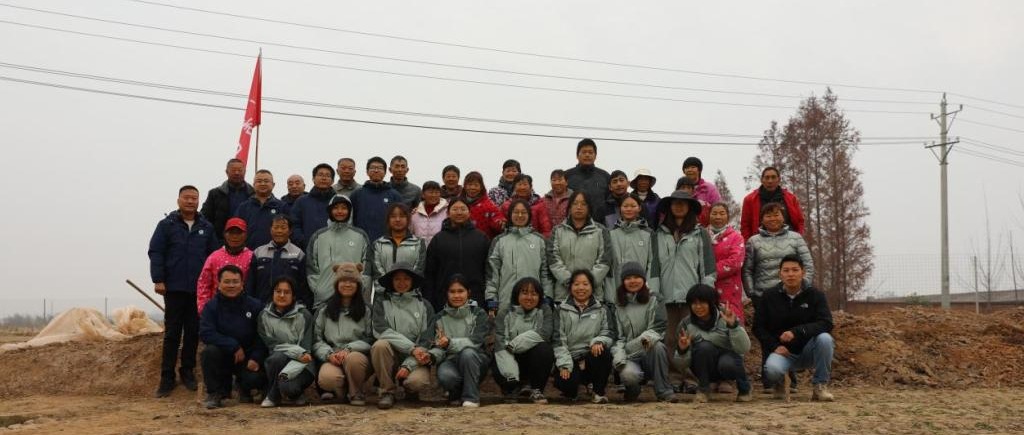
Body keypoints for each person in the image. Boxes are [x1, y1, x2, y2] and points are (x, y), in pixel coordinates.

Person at [149, 185, 219, 397]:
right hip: (174, 287)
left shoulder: (206, 227)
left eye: (194, 198)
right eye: (186, 198)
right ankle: (167, 377)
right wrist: (158, 279)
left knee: (192, 331)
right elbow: (156, 252)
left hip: (198, 290)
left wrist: (213, 285)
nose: (190, 201)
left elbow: (213, 257)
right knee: (172, 333)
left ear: (198, 202)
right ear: (178, 200)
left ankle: (187, 371)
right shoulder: (166, 225)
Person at [743, 202, 814, 391]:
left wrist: (803, 287)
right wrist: (752, 292)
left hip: (792, 294)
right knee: (767, 334)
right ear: (762, 219)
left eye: (776, 215)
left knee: (789, 334)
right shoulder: (753, 241)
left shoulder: (795, 238)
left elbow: (807, 264)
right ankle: (770, 380)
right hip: (763, 295)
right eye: (768, 215)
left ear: (783, 217)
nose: (772, 219)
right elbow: (747, 269)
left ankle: (790, 379)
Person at [650, 190, 716, 375]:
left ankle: (692, 377)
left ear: (689, 208)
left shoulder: (699, 233)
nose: (679, 207)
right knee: (669, 338)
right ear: (669, 207)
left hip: (692, 296)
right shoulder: (659, 234)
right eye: (675, 203)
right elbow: (654, 266)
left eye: (683, 203)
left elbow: (707, 266)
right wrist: (655, 293)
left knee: (692, 336)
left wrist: (705, 293)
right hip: (666, 295)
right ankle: (672, 377)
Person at [753, 254, 835, 401]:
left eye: (795, 270)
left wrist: (797, 331)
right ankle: (780, 382)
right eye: (786, 270)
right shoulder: (769, 296)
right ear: (780, 274)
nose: (790, 274)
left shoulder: (815, 295)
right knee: (772, 370)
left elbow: (826, 323)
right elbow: (758, 327)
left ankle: (820, 386)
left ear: (803, 272)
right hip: (783, 352)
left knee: (825, 339)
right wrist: (775, 346)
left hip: (809, 350)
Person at [198, 265, 267, 409]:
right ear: (219, 283)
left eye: (235, 282)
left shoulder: (255, 306)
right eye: (227, 281)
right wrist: (233, 345)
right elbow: (206, 332)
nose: (231, 285)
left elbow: (263, 335)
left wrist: (256, 357)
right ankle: (215, 393)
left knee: (254, 379)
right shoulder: (211, 307)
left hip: (247, 356)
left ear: (242, 284)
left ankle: (243, 387)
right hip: (223, 355)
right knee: (209, 352)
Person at [370, 263, 435, 409]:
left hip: (416, 359)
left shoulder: (425, 305)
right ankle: (387, 392)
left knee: (416, 382)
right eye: (397, 279)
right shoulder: (381, 303)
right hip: (392, 355)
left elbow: (427, 339)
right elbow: (380, 330)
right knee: (380, 345)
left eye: (406, 279)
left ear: (412, 281)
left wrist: (409, 363)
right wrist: (412, 348)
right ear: (391, 282)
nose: (402, 283)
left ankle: (410, 390)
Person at [611, 262, 676, 403]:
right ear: (623, 281)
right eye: (628, 278)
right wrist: (620, 357)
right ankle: (632, 390)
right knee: (628, 374)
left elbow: (658, 329)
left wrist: (630, 347)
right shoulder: (617, 304)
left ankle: (664, 391)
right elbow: (617, 337)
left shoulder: (655, 299)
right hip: (627, 355)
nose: (632, 281)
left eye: (636, 277)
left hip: (647, 348)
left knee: (658, 347)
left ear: (643, 279)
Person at [677, 284, 753, 403]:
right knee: (703, 347)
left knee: (727, 363)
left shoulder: (727, 316)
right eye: (694, 303)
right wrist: (683, 350)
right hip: (704, 363)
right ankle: (703, 390)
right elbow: (682, 365)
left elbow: (744, 348)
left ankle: (744, 389)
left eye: (702, 303)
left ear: (712, 303)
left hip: (728, 362)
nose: (698, 307)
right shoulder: (686, 324)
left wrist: (733, 327)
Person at [313, 263, 374, 406]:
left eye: (352, 281)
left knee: (353, 359)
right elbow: (316, 340)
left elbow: (371, 338)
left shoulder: (367, 310)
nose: (347, 284)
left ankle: (357, 393)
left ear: (358, 284)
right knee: (327, 379)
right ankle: (342, 393)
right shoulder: (324, 310)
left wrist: (349, 349)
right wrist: (329, 354)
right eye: (343, 280)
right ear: (336, 284)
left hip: (358, 357)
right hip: (333, 356)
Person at [427, 275, 491, 408]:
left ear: (468, 292)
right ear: (447, 293)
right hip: (450, 360)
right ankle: (455, 393)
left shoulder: (479, 314)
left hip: (476, 359)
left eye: (460, 291)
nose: (456, 296)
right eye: (452, 291)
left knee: (468, 353)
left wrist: (450, 343)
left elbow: (476, 341)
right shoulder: (439, 318)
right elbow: (438, 347)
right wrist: (432, 356)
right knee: (445, 375)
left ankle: (471, 398)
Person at [553, 270, 615, 404]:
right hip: (570, 358)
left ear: (592, 287)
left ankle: (598, 392)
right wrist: (565, 365)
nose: (581, 288)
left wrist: (599, 341)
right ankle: (572, 391)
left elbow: (609, 333)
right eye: (576, 284)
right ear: (570, 287)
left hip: (590, 356)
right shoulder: (561, 309)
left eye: (585, 284)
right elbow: (558, 340)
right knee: (566, 383)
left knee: (603, 352)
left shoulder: (602, 309)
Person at [493, 277, 555, 404]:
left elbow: (545, 333)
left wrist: (515, 344)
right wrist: (511, 376)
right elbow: (501, 341)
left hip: (531, 358)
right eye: (525, 293)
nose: (529, 297)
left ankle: (536, 390)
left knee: (544, 349)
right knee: (497, 352)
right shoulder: (505, 311)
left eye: (534, 294)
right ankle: (511, 389)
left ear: (540, 296)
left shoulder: (545, 310)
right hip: (509, 357)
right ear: (517, 294)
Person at [485, 200, 552, 315]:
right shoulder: (499, 241)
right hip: (505, 302)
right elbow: (492, 272)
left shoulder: (539, 240)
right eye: (516, 212)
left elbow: (545, 273)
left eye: (523, 212)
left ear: (529, 215)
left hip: (533, 301)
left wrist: (547, 296)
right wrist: (491, 298)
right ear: (510, 215)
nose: (520, 215)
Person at [423, 198, 491, 311]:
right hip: (444, 300)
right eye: (455, 209)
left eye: (463, 209)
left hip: (476, 299)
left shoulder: (481, 238)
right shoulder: (438, 239)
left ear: (469, 212)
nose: (459, 212)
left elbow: (488, 271)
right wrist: (429, 301)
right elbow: (430, 273)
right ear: (448, 213)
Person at [257, 276, 315, 408]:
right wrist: (295, 352)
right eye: (278, 291)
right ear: (272, 293)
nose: (282, 295)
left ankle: (293, 393)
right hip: (278, 361)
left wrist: (299, 354)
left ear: (293, 296)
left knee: (289, 388)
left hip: (302, 362)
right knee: (277, 357)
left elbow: (306, 347)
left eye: (287, 292)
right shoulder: (263, 316)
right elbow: (271, 344)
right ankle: (274, 395)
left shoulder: (304, 315)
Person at [306, 195, 371, 308]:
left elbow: (367, 266)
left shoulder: (360, 235)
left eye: (344, 208)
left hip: (353, 298)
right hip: (324, 300)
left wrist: (361, 288)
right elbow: (311, 266)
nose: (340, 211)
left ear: (350, 211)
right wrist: (319, 290)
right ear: (330, 210)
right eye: (335, 208)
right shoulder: (318, 236)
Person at [548, 191, 612, 302]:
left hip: (593, 295)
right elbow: (553, 259)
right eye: (575, 203)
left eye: (583, 204)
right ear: (569, 207)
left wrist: (588, 283)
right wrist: (570, 282)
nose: (579, 207)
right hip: (563, 294)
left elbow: (605, 260)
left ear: (589, 207)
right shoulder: (558, 231)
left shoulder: (600, 231)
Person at [246, 214, 310, 308]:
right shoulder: (258, 252)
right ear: (270, 230)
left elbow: (304, 286)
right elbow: (251, 283)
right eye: (276, 227)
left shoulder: (298, 254)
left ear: (290, 231)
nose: (279, 231)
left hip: (290, 309)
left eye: (283, 228)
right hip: (261, 307)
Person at [196, 217, 254, 314]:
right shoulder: (214, 257)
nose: (234, 236)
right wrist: (204, 309)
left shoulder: (252, 257)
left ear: (245, 235)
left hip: (243, 310)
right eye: (231, 233)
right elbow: (204, 284)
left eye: (239, 233)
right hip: (217, 310)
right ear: (224, 234)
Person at [606, 195, 656, 303]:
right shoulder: (610, 234)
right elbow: (608, 266)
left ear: (639, 208)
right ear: (620, 208)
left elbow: (652, 264)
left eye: (633, 206)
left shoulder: (648, 233)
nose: (629, 209)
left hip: (641, 291)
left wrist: (650, 290)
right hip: (617, 290)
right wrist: (610, 296)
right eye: (625, 206)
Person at [370, 203, 427, 298]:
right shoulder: (378, 244)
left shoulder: (419, 243)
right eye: (393, 216)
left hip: (410, 297)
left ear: (408, 219)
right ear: (388, 220)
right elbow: (377, 272)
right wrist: (389, 289)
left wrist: (405, 289)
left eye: (402, 216)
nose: (397, 219)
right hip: (384, 297)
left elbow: (418, 270)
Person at [740, 167, 805, 240]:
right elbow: (745, 226)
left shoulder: (791, 198)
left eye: (773, 177)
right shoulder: (749, 200)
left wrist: (798, 239)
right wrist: (749, 244)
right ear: (762, 180)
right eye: (767, 177)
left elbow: (800, 221)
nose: (770, 181)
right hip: (761, 243)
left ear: (779, 179)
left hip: (789, 241)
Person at [708, 202, 746, 324]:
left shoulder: (736, 237)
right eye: (714, 213)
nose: (718, 217)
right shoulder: (702, 236)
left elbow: (735, 262)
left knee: (730, 321)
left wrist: (709, 271)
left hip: (729, 288)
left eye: (722, 213)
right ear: (709, 215)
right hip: (706, 286)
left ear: (728, 216)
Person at [201, 158, 255, 244]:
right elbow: (205, 218)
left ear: (245, 172)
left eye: (240, 170)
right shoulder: (215, 194)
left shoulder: (254, 194)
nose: (237, 173)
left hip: (249, 242)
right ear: (227, 172)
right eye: (233, 170)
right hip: (221, 242)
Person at [351, 157, 404, 242]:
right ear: (367, 172)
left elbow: (401, 220)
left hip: (387, 243)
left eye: (380, 168)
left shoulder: (394, 195)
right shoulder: (357, 194)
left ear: (385, 172)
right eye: (373, 168)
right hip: (361, 242)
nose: (376, 171)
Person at [235, 169, 289, 250]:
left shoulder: (282, 206)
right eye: (259, 181)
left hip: (275, 252)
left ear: (273, 184)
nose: (262, 184)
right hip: (248, 252)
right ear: (253, 185)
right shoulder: (243, 207)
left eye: (266, 181)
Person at [290, 163, 336, 249]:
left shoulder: (338, 201)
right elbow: (294, 225)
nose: (324, 178)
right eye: (320, 175)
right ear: (313, 179)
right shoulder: (301, 201)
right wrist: (303, 242)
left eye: (327, 175)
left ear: (332, 181)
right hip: (307, 248)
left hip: (334, 248)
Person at [565, 138, 611, 221]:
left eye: (590, 152)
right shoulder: (567, 176)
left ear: (595, 156)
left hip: (600, 224)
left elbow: (611, 201)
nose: (587, 155)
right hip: (572, 224)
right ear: (577, 156)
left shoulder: (605, 176)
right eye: (584, 152)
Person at [499, 174, 553, 238]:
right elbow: (501, 228)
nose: (522, 187)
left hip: (534, 241)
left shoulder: (539, 204)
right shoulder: (507, 206)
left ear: (531, 187)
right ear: (514, 187)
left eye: (525, 184)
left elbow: (546, 229)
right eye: (519, 184)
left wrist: (540, 241)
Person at [461, 171, 505, 239]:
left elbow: (497, 217)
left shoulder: (489, 205)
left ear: (481, 187)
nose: (472, 187)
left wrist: (500, 223)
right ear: (464, 186)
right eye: (469, 185)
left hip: (483, 242)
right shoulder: (458, 203)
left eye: (476, 185)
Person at [410, 181, 448, 245]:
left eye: (437, 192)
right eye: (431, 192)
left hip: (441, 248)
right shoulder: (415, 213)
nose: (434, 195)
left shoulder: (447, 211)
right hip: (419, 249)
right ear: (423, 194)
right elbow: (411, 233)